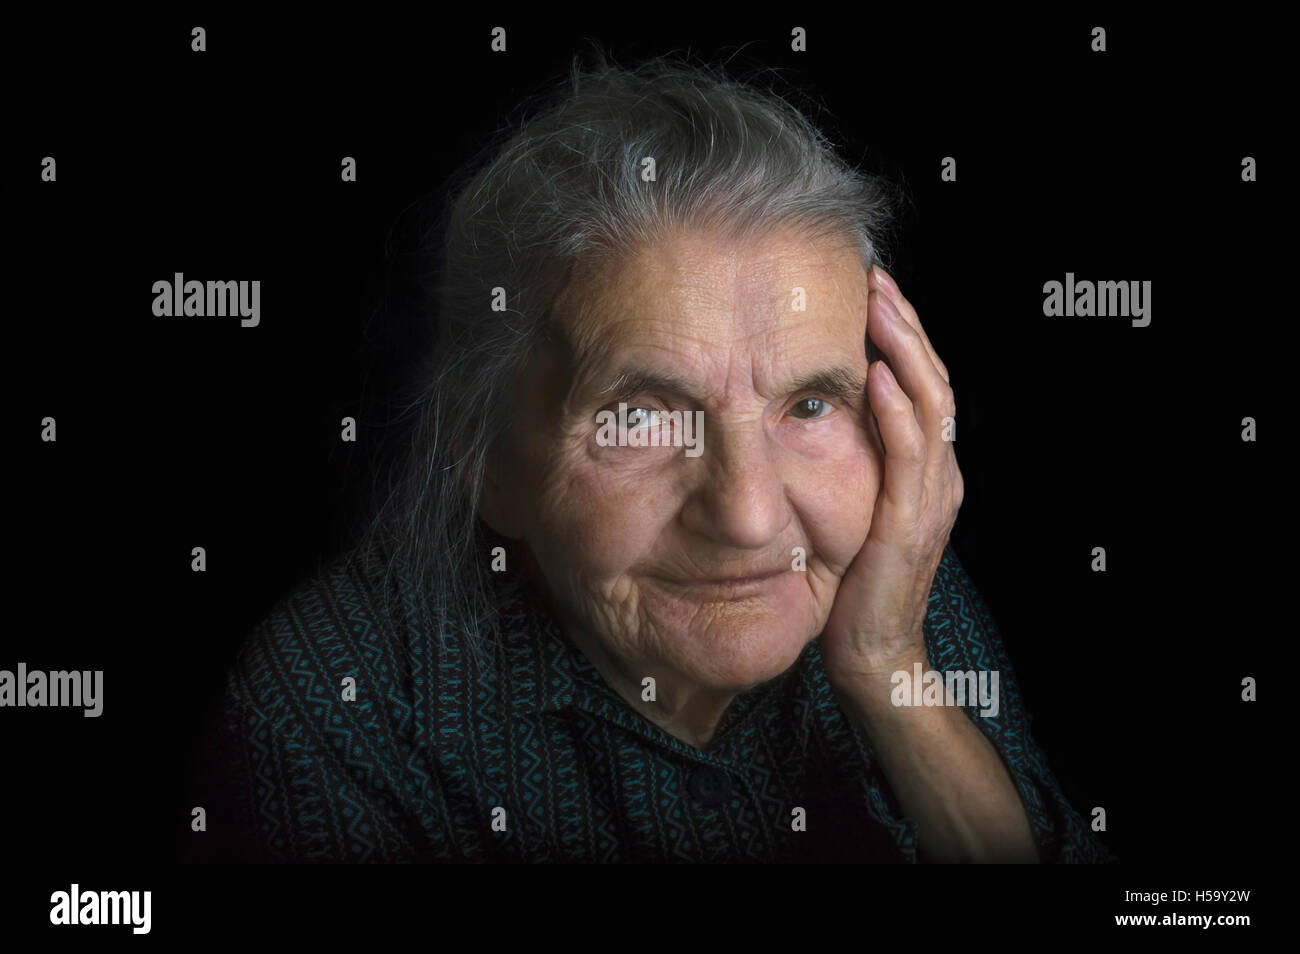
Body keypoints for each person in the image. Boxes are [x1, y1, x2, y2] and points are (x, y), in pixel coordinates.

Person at [192, 54, 1114, 864]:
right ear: (485, 454)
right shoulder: (337, 708)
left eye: (810, 402)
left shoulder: (883, 566)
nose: (751, 517)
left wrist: (884, 663)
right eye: (642, 417)